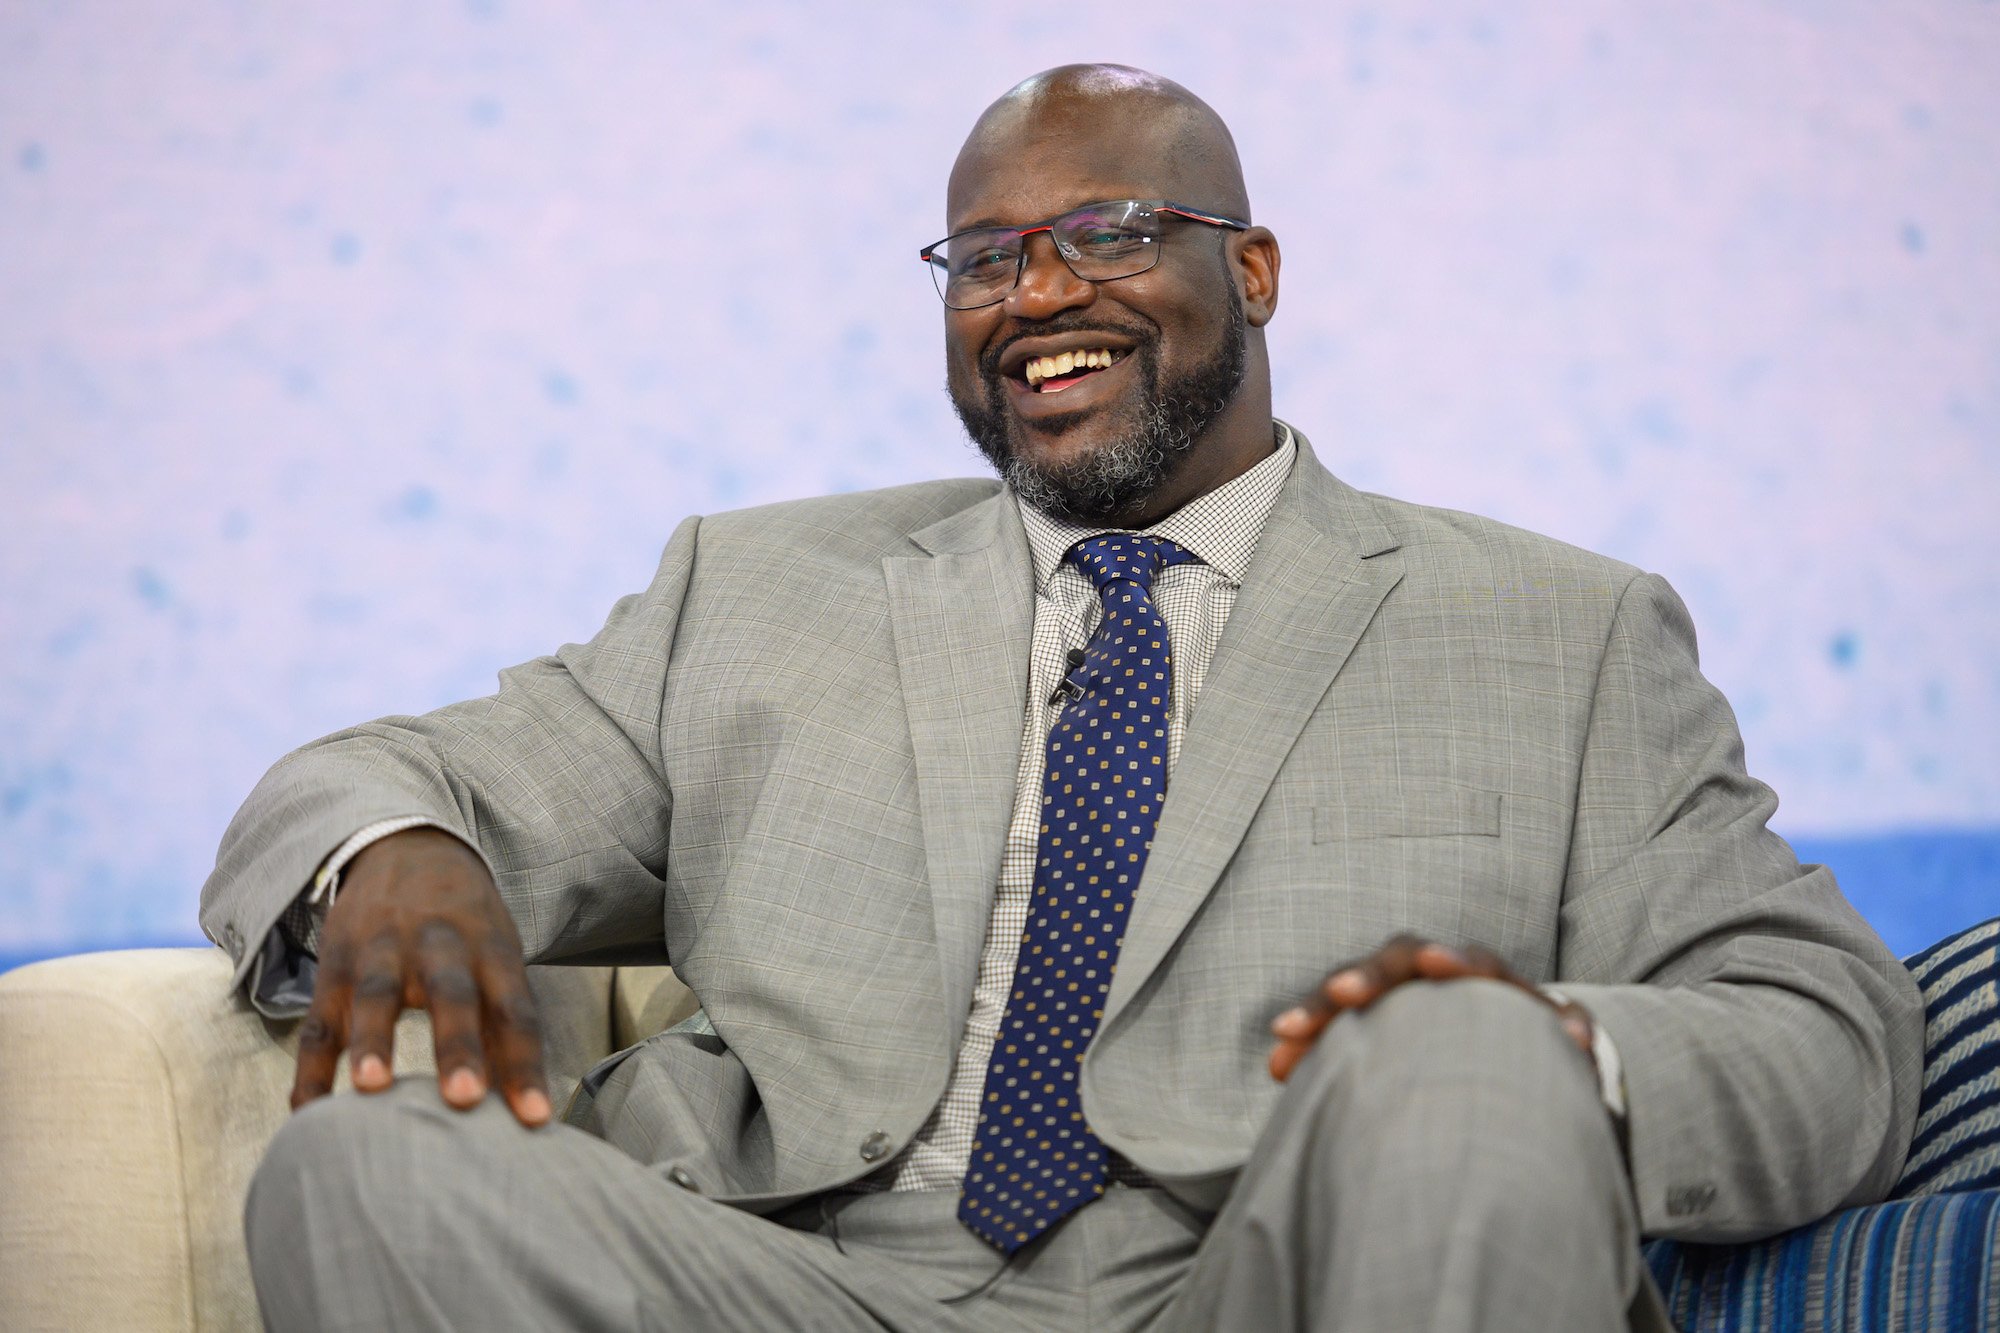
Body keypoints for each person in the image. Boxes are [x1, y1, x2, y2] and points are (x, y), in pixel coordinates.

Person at [201, 64, 1923, 1332]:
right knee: (367, 1168)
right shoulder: (757, 589)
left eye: (1107, 231)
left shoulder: (1561, 629)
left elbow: (1822, 1022)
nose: (1036, 294)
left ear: (1251, 273)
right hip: (790, 1282)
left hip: (1265, 1279)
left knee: (1459, 1053)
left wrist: (1537, 1055)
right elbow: (384, 764)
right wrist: (404, 838)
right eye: (982, 258)